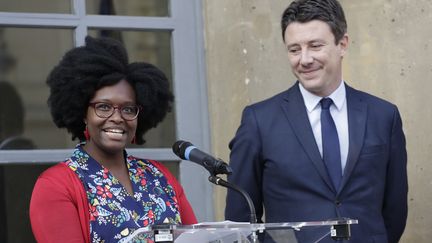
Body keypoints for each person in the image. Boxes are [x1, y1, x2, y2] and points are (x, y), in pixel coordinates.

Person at [225, 0, 408, 242]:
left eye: (315, 46)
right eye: (294, 49)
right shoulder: (259, 120)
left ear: (342, 44)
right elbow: (240, 220)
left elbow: (394, 210)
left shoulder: (383, 116)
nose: (305, 59)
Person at [30, 36, 197, 242]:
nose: (117, 118)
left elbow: (196, 237)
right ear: (83, 113)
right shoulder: (56, 185)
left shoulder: (159, 176)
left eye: (128, 109)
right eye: (103, 107)